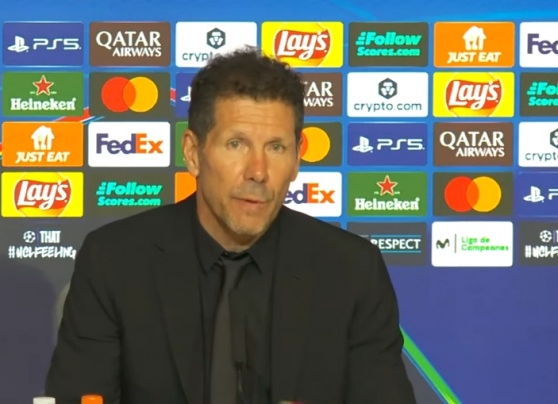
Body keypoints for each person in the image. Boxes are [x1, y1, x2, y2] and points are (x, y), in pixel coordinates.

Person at [45, 47, 416, 404]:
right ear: (193, 153)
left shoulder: (351, 271)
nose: (258, 171)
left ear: (297, 160)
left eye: (276, 147)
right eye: (236, 144)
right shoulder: (115, 261)